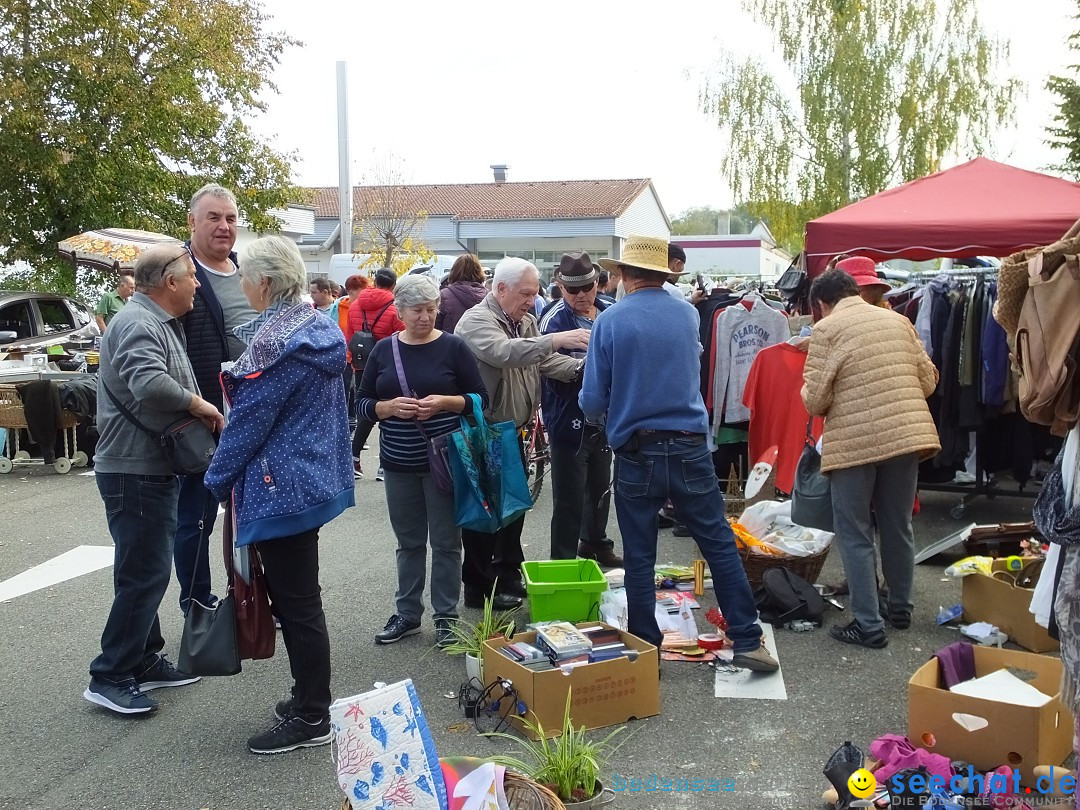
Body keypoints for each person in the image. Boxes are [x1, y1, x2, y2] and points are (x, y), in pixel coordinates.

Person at [580, 234, 778, 672]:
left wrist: (609, 410)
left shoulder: (610, 322)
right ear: (665, 273)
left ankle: (647, 650)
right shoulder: (688, 314)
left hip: (636, 448)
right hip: (689, 445)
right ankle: (747, 638)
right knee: (719, 545)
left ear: (624, 275)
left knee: (639, 553)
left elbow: (592, 400)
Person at [204, 235, 354, 754]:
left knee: (298, 606)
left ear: (264, 283)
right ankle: (305, 700)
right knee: (299, 602)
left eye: (244, 273)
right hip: (307, 478)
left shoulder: (278, 345)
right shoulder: (312, 325)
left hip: (280, 487)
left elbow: (246, 424)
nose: (239, 280)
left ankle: (313, 715)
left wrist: (214, 481)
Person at [85, 244, 225, 715]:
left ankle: (144, 659)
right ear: (169, 281)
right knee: (143, 575)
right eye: (191, 276)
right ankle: (110, 673)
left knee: (144, 570)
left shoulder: (150, 321)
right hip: (134, 469)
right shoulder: (139, 323)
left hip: (146, 466)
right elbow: (148, 384)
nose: (197, 284)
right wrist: (200, 405)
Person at [801, 269, 940, 648]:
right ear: (856, 291)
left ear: (822, 304)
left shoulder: (827, 330)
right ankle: (900, 607)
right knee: (898, 525)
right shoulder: (899, 321)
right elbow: (928, 382)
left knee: (855, 531)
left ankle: (868, 623)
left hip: (855, 443)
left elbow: (816, 401)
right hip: (905, 436)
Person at [356, 275, 488, 646]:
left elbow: (480, 399)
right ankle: (408, 613)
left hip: (444, 461)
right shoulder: (383, 351)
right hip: (397, 463)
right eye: (417, 311)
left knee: (447, 542)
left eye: (432, 310)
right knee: (408, 542)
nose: (426, 317)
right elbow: (361, 403)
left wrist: (445, 402)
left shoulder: (454, 347)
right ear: (400, 312)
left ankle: (446, 615)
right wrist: (387, 407)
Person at [456, 257, 589, 610]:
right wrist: (556, 339)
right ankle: (479, 588)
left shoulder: (525, 320)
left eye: (534, 294)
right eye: (525, 293)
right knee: (485, 515)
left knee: (513, 510)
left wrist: (582, 367)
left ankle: (508, 575)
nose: (531, 301)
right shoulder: (476, 321)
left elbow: (542, 363)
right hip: (484, 432)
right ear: (500, 289)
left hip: (513, 430)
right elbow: (503, 353)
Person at [174, 183, 257, 614]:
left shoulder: (249, 270)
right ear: (192, 222)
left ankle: (258, 598)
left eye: (230, 218)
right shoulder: (180, 275)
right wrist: (192, 404)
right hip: (205, 415)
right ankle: (198, 604)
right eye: (213, 217)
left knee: (261, 510)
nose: (224, 227)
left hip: (256, 412)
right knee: (196, 516)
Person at [539, 252, 621, 567]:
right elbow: (543, 361)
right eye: (573, 290)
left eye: (588, 286)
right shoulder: (552, 318)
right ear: (560, 286)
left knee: (601, 489)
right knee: (568, 499)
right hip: (567, 418)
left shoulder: (611, 310)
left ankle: (595, 543)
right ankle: (561, 561)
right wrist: (587, 365)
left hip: (605, 419)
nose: (582, 295)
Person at [348, 268, 406, 479]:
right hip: (389, 364)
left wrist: (350, 359)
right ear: (393, 284)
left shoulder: (355, 305)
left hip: (361, 363)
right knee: (388, 410)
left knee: (366, 410)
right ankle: (384, 463)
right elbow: (401, 335)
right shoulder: (394, 307)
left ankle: (354, 458)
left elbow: (349, 335)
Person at [436, 253, 487, 333]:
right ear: (479, 271)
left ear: (454, 271)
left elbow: (435, 328)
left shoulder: (443, 295)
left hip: (451, 343)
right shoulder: (488, 296)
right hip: (480, 344)